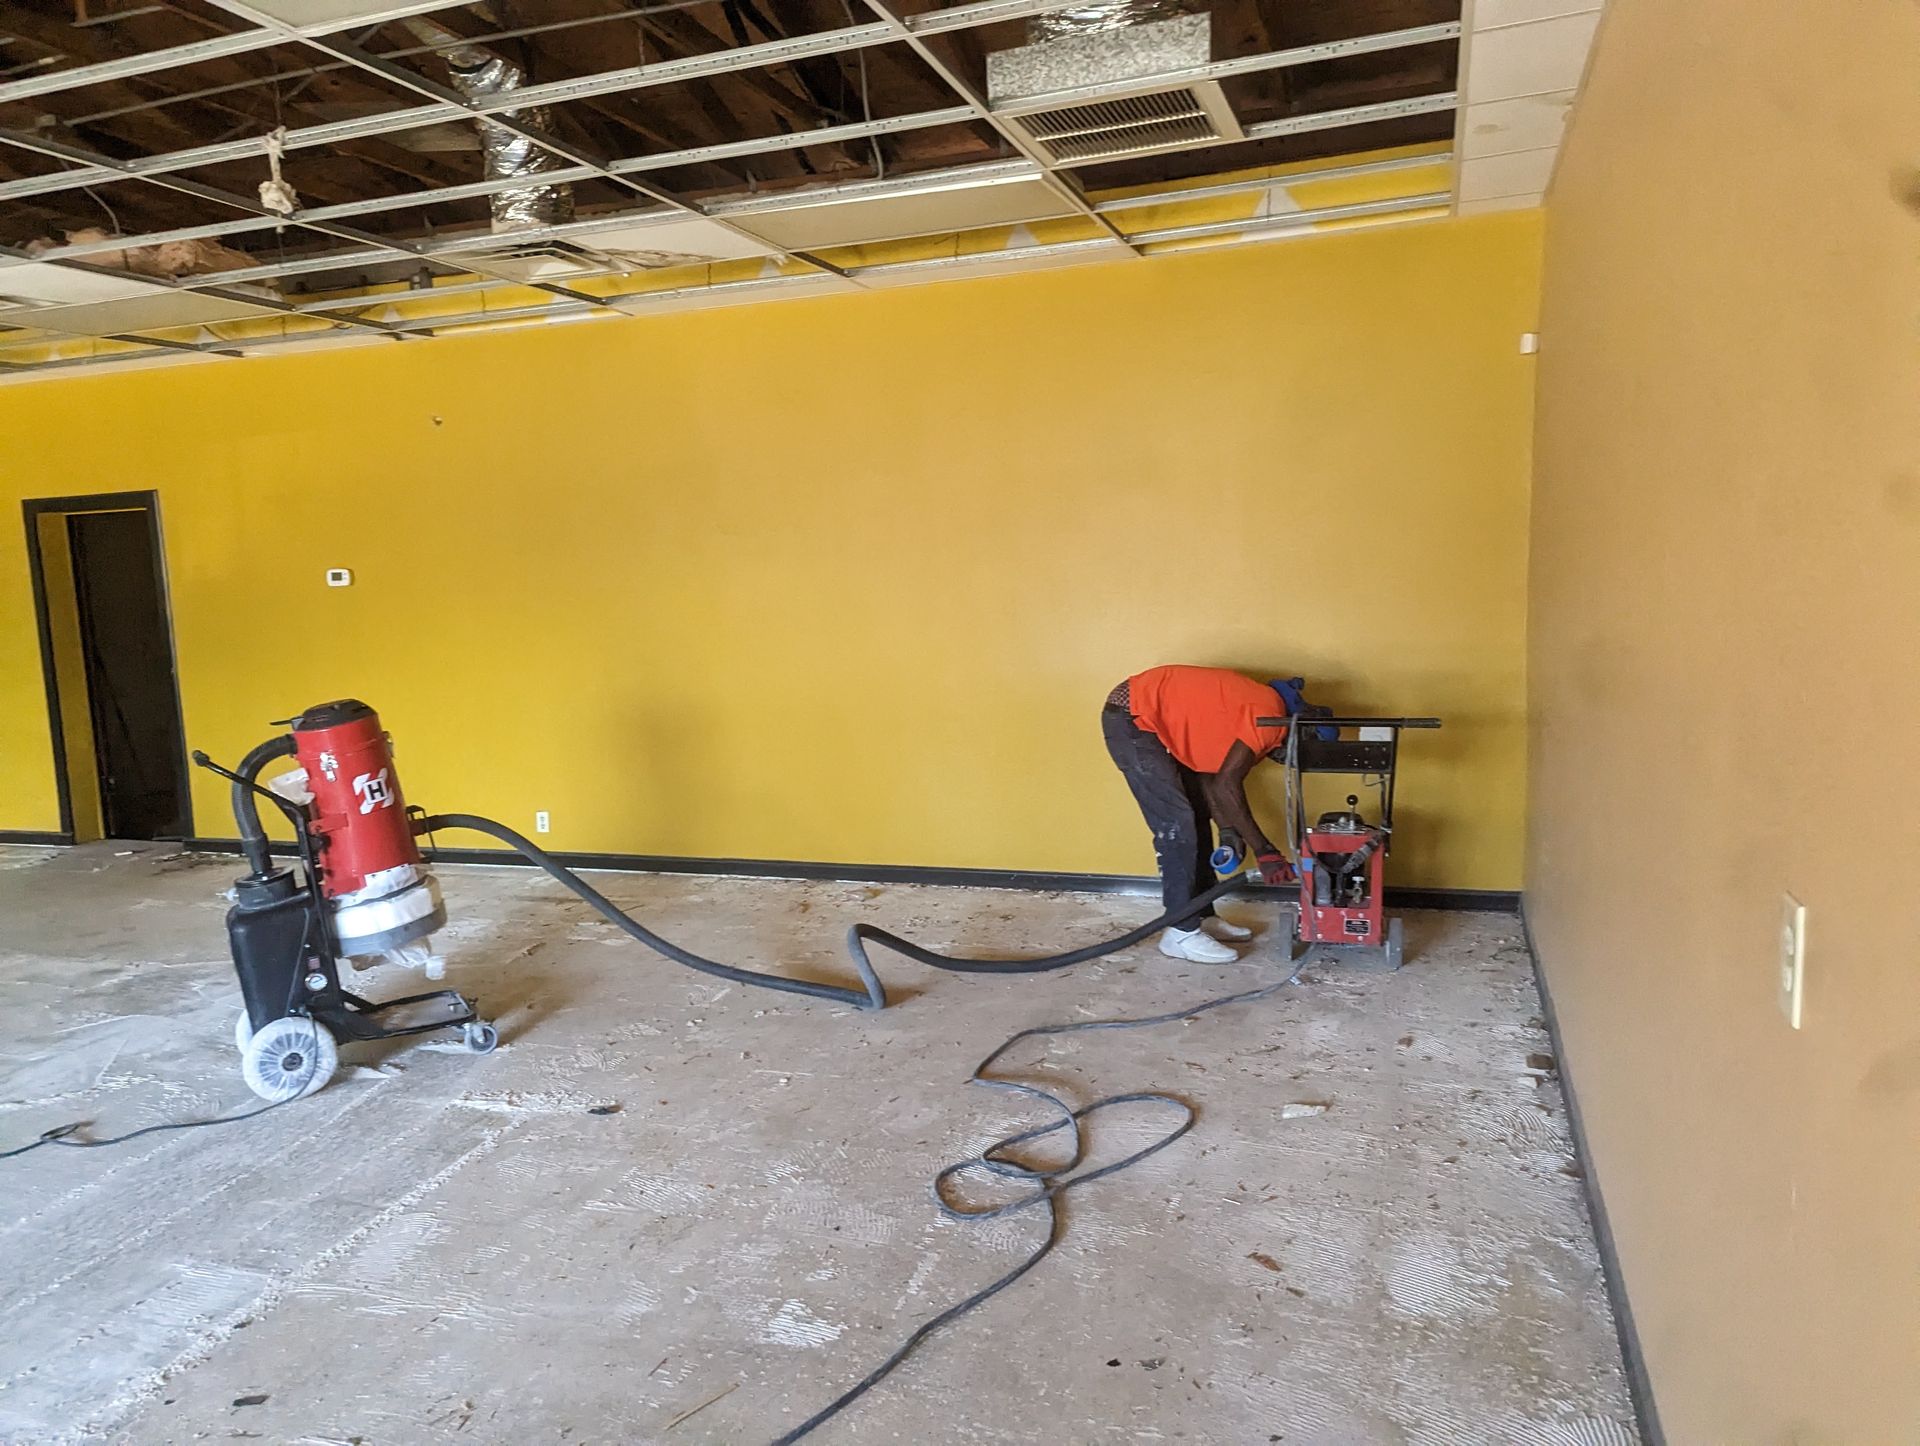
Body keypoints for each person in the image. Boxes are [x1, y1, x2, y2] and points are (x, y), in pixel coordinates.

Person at [1102, 665, 1311, 963]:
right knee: (1176, 825)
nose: (1282, 760)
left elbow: (1211, 779)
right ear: (1295, 729)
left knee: (1196, 814)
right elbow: (1227, 785)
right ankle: (1180, 933)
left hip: (1144, 709)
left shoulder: (1250, 710)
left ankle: (1200, 913)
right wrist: (1265, 852)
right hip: (1132, 716)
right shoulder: (1270, 718)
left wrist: (1227, 831)